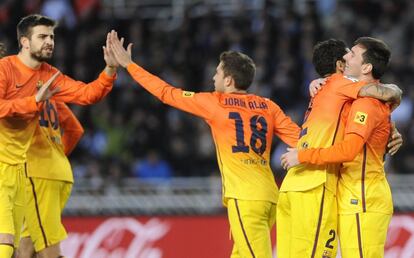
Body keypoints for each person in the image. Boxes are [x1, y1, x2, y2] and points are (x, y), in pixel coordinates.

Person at [108, 30, 300, 258]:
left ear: (228, 80)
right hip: (269, 196)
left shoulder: (214, 103)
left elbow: (166, 93)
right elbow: (301, 138)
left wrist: (130, 65)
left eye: (217, 72)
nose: (213, 77)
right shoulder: (269, 106)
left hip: (245, 198)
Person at [0, 14, 117, 258]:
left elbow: (87, 94)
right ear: (24, 41)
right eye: (42, 37)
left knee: (30, 247)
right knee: (21, 246)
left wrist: (109, 69)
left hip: (30, 171)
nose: (50, 42)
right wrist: (33, 102)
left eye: (51, 37)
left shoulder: (49, 76)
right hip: (28, 170)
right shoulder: (5, 68)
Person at [275, 39, 401, 258]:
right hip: (340, 192)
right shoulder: (344, 92)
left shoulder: (361, 99)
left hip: (362, 195)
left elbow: (350, 147)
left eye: (352, 54)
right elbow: (386, 97)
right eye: (346, 54)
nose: (347, 58)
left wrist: (391, 120)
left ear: (366, 67)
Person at [18, 102, 84, 258]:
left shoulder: (15, 91)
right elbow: (75, 129)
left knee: (48, 248)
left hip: (37, 174)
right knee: (26, 245)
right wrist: (56, 156)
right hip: (59, 172)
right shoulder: (49, 95)